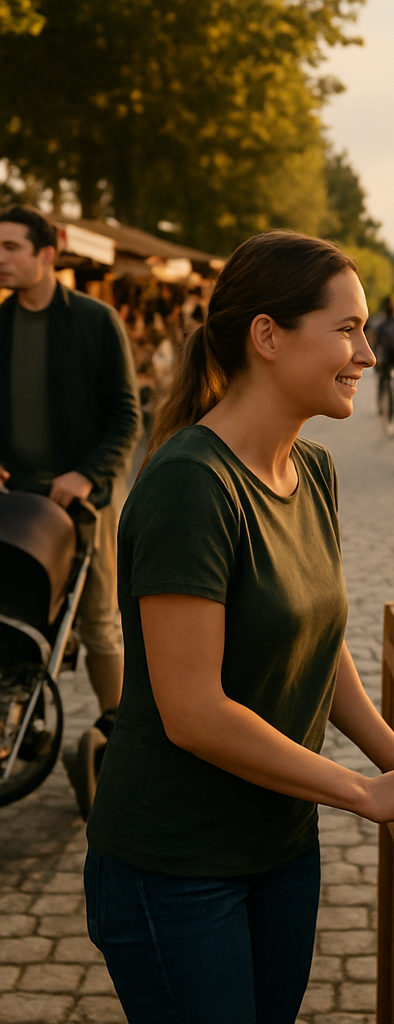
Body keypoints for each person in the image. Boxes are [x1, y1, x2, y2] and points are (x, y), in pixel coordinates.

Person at [82, 230, 394, 1024]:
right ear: (268, 336)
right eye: (347, 329)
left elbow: (316, 644)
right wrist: (364, 792)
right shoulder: (191, 484)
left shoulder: (312, 470)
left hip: (281, 848)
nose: (369, 353)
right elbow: (193, 713)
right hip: (176, 864)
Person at [0, 205, 140, 805]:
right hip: (16, 501)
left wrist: (84, 474)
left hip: (85, 500)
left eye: (11, 247)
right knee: (14, 615)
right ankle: (17, 714)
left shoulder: (93, 320)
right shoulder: (0, 323)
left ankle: (121, 734)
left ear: (46, 255)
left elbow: (126, 417)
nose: (1, 259)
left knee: (99, 620)